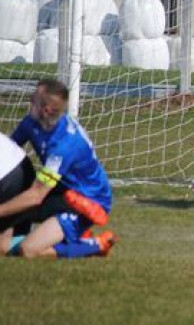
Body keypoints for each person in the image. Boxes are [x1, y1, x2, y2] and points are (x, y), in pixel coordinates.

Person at [0, 79, 117, 259]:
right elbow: (10, 153)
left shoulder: (64, 145)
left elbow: (36, 195)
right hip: (59, 193)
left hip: (85, 202)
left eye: (33, 99)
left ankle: (94, 245)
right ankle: (66, 236)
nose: (29, 100)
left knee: (28, 250)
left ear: (45, 109)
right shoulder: (31, 123)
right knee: (2, 246)